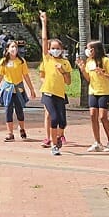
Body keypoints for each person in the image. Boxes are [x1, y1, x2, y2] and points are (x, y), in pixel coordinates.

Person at [38, 11, 72, 155]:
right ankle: (53, 145)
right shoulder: (47, 59)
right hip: (48, 93)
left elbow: (69, 82)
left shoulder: (65, 62)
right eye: (53, 48)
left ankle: (58, 137)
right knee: (54, 118)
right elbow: (44, 39)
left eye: (58, 48)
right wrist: (44, 22)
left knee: (62, 122)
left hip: (60, 94)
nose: (55, 50)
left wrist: (63, 71)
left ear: (62, 50)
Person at [0, 40, 37, 141]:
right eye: (12, 47)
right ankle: (10, 133)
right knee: (8, 110)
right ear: (7, 49)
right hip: (7, 89)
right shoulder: (3, 61)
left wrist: (31, 89)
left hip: (18, 89)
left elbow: (26, 76)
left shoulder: (21, 61)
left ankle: (22, 128)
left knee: (19, 111)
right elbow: (0, 75)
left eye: (16, 47)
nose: (14, 49)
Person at [77, 39, 109, 152]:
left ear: (95, 50)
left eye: (90, 48)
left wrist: (103, 73)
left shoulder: (105, 60)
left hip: (104, 92)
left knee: (103, 116)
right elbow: (88, 79)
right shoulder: (89, 62)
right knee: (92, 115)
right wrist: (82, 69)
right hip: (92, 92)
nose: (88, 50)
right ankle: (97, 142)